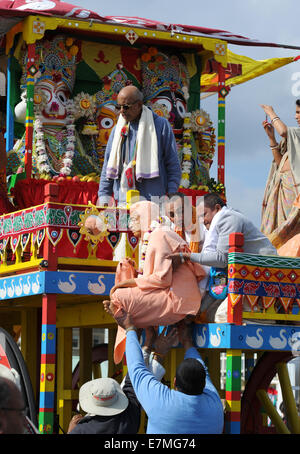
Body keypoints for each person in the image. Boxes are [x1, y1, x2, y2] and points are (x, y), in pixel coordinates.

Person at [103, 200, 206, 364]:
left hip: (176, 300)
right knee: (122, 273)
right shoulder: (153, 236)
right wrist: (132, 272)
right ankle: (137, 331)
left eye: (134, 218)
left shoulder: (158, 235)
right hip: (170, 294)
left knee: (118, 297)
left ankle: (131, 328)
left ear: (145, 217)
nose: (130, 224)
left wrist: (126, 283)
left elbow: (162, 280)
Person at [106, 307, 224, 434]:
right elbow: (137, 369)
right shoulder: (214, 404)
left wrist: (132, 331)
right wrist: (130, 328)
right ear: (204, 385)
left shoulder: (163, 402)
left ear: (174, 382)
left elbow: (137, 369)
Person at [167, 193, 277, 322]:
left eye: (204, 214)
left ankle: (264, 327)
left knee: (222, 316)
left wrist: (187, 256)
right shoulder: (212, 223)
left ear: (218, 209)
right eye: (172, 214)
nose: (202, 220)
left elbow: (221, 259)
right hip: (243, 276)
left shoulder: (228, 218)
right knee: (209, 314)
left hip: (262, 276)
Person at [67, 327, 178, 434]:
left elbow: (137, 387)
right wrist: (145, 344)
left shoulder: (82, 430)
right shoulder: (127, 420)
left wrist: (71, 431)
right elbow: (135, 384)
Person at [97, 85, 181, 206]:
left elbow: (172, 163)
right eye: (118, 107)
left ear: (139, 105)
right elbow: (107, 165)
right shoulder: (117, 130)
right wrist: (104, 196)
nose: (121, 111)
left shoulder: (160, 126)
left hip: (154, 201)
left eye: (126, 107)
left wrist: (172, 193)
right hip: (123, 201)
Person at [260, 101, 300, 255]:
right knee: (279, 229)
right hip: (282, 188)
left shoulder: (296, 134)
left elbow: (283, 131)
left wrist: (271, 113)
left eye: (298, 112)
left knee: (290, 230)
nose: (296, 116)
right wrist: (271, 138)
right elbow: (279, 162)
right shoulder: (294, 137)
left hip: (294, 191)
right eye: (296, 112)